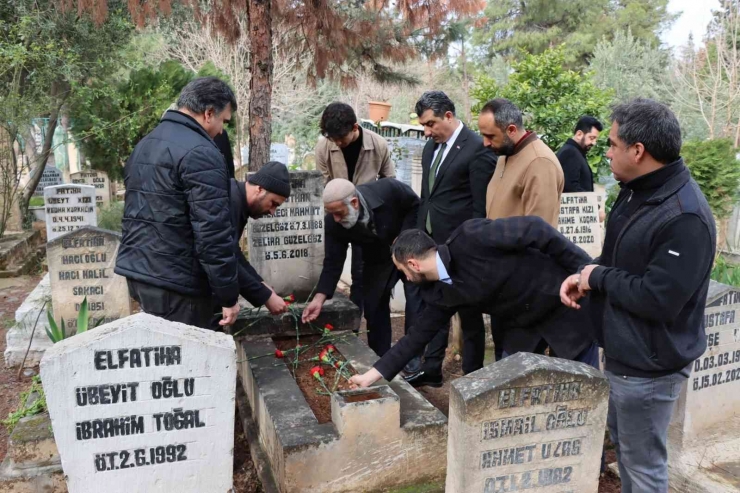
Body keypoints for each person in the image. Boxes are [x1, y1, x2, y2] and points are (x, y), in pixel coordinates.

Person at [560, 98, 716, 493]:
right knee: (629, 458)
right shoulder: (637, 191)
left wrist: (598, 277)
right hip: (625, 353)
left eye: (612, 143)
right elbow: (622, 259)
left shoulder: (684, 216)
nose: (605, 150)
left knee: (643, 468)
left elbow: (658, 298)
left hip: (649, 365)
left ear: (638, 151)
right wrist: (586, 274)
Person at [348, 216, 596, 388]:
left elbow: (535, 229)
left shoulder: (471, 237)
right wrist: (371, 375)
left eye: (403, 271)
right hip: (521, 327)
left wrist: (585, 271)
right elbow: (416, 337)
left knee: (584, 386)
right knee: (511, 387)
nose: (406, 278)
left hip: (563, 303)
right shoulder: (440, 294)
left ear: (413, 263)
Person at [116, 77, 240, 329]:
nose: (221, 131)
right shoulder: (202, 152)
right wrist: (228, 295)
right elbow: (213, 233)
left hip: (141, 274)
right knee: (189, 362)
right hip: (179, 284)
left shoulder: (146, 143)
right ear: (208, 113)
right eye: (223, 121)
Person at [407, 91, 497, 387]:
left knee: (469, 315)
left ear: (448, 115)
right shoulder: (430, 150)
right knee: (434, 307)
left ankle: (472, 377)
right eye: (424, 124)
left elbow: (479, 205)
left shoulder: (475, 147)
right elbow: (427, 198)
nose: (427, 130)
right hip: (431, 247)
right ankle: (432, 368)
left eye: (431, 123)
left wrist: (472, 246)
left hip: (461, 247)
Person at [301, 178, 424, 356]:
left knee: (415, 300)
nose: (336, 219)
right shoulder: (333, 223)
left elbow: (416, 205)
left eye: (339, 213)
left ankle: (413, 358)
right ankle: (380, 359)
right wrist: (318, 299)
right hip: (376, 258)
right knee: (373, 308)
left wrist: (406, 237)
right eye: (331, 213)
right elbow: (333, 262)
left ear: (354, 202)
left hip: (407, 250)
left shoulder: (388, 189)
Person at [315, 102, 397, 329]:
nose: (338, 143)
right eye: (334, 139)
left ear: (355, 127)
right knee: (332, 263)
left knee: (362, 276)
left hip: (367, 220)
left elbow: (389, 181)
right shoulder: (323, 148)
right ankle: (351, 326)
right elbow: (324, 183)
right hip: (338, 215)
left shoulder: (378, 144)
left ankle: (368, 319)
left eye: (342, 138)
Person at [480, 98, 563, 227]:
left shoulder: (540, 162)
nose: (485, 143)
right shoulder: (505, 153)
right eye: (483, 135)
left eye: (491, 136)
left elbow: (539, 233)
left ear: (511, 130)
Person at [226, 162, 292, 318]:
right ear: (260, 189)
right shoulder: (228, 201)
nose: (272, 212)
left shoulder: (236, 199)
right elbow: (223, 257)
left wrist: (262, 286)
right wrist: (266, 297)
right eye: (273, 204)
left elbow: (233, 252)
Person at [557, 116, 603, 193]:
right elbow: (571, 188)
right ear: (579, 134)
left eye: (596, 139)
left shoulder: (575, 151)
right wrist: (591, 201)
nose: (594, 143)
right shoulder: (570, 152)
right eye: (592, 138)